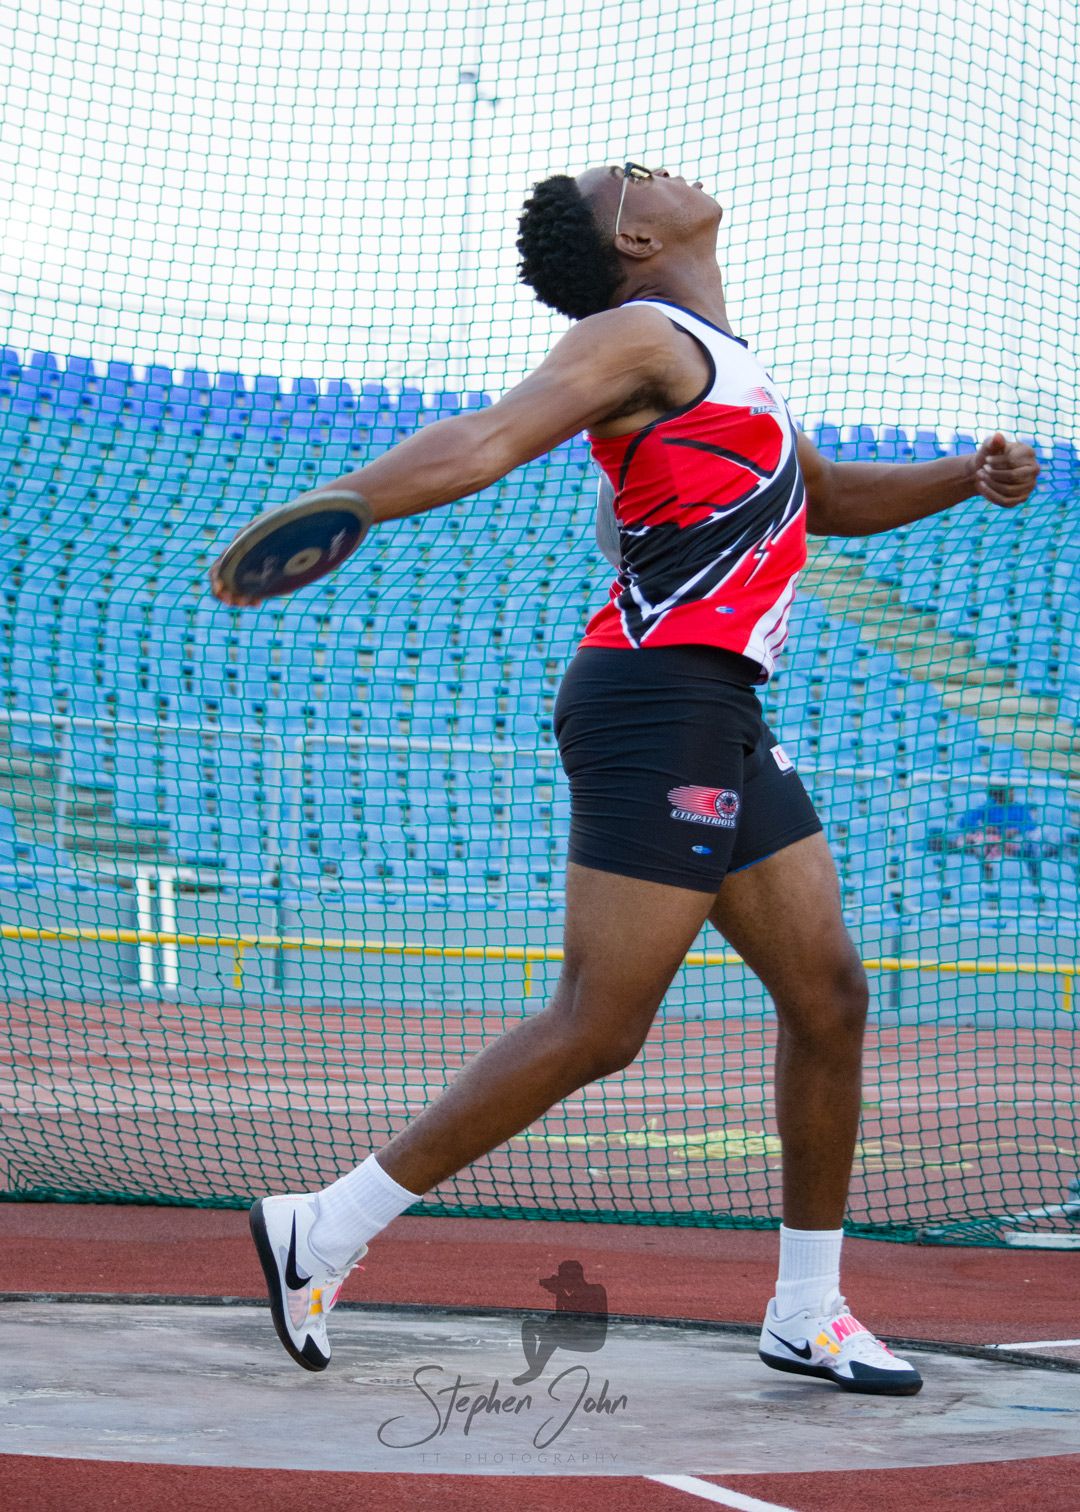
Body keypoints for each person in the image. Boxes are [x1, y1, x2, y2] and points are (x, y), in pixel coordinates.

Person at [211, 161, 1039, 1394]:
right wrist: (347, 506)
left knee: (829, 998)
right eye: (632, 178)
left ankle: (807, 1311)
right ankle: (324, 1228)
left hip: (722, 709)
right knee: (602, 1024)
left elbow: (824, 499)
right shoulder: (638, 334)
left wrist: (963, 479)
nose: (659, 170)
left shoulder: (724, 361)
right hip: (657, 701)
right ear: (638, 239)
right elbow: (489, 436)